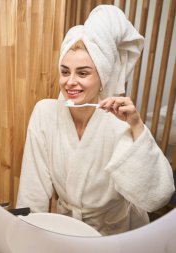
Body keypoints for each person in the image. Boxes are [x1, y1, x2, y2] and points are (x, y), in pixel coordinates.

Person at [16, 5, 175, 236]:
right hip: (67, 229)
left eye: (82, 73)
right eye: (64, 71)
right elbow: (33, 191)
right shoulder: (44, 114)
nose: (70, 82)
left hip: (115, 233)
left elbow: (157, 195)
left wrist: (137, 127)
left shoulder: (119, 121)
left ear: (102, 76)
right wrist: (29, 236)